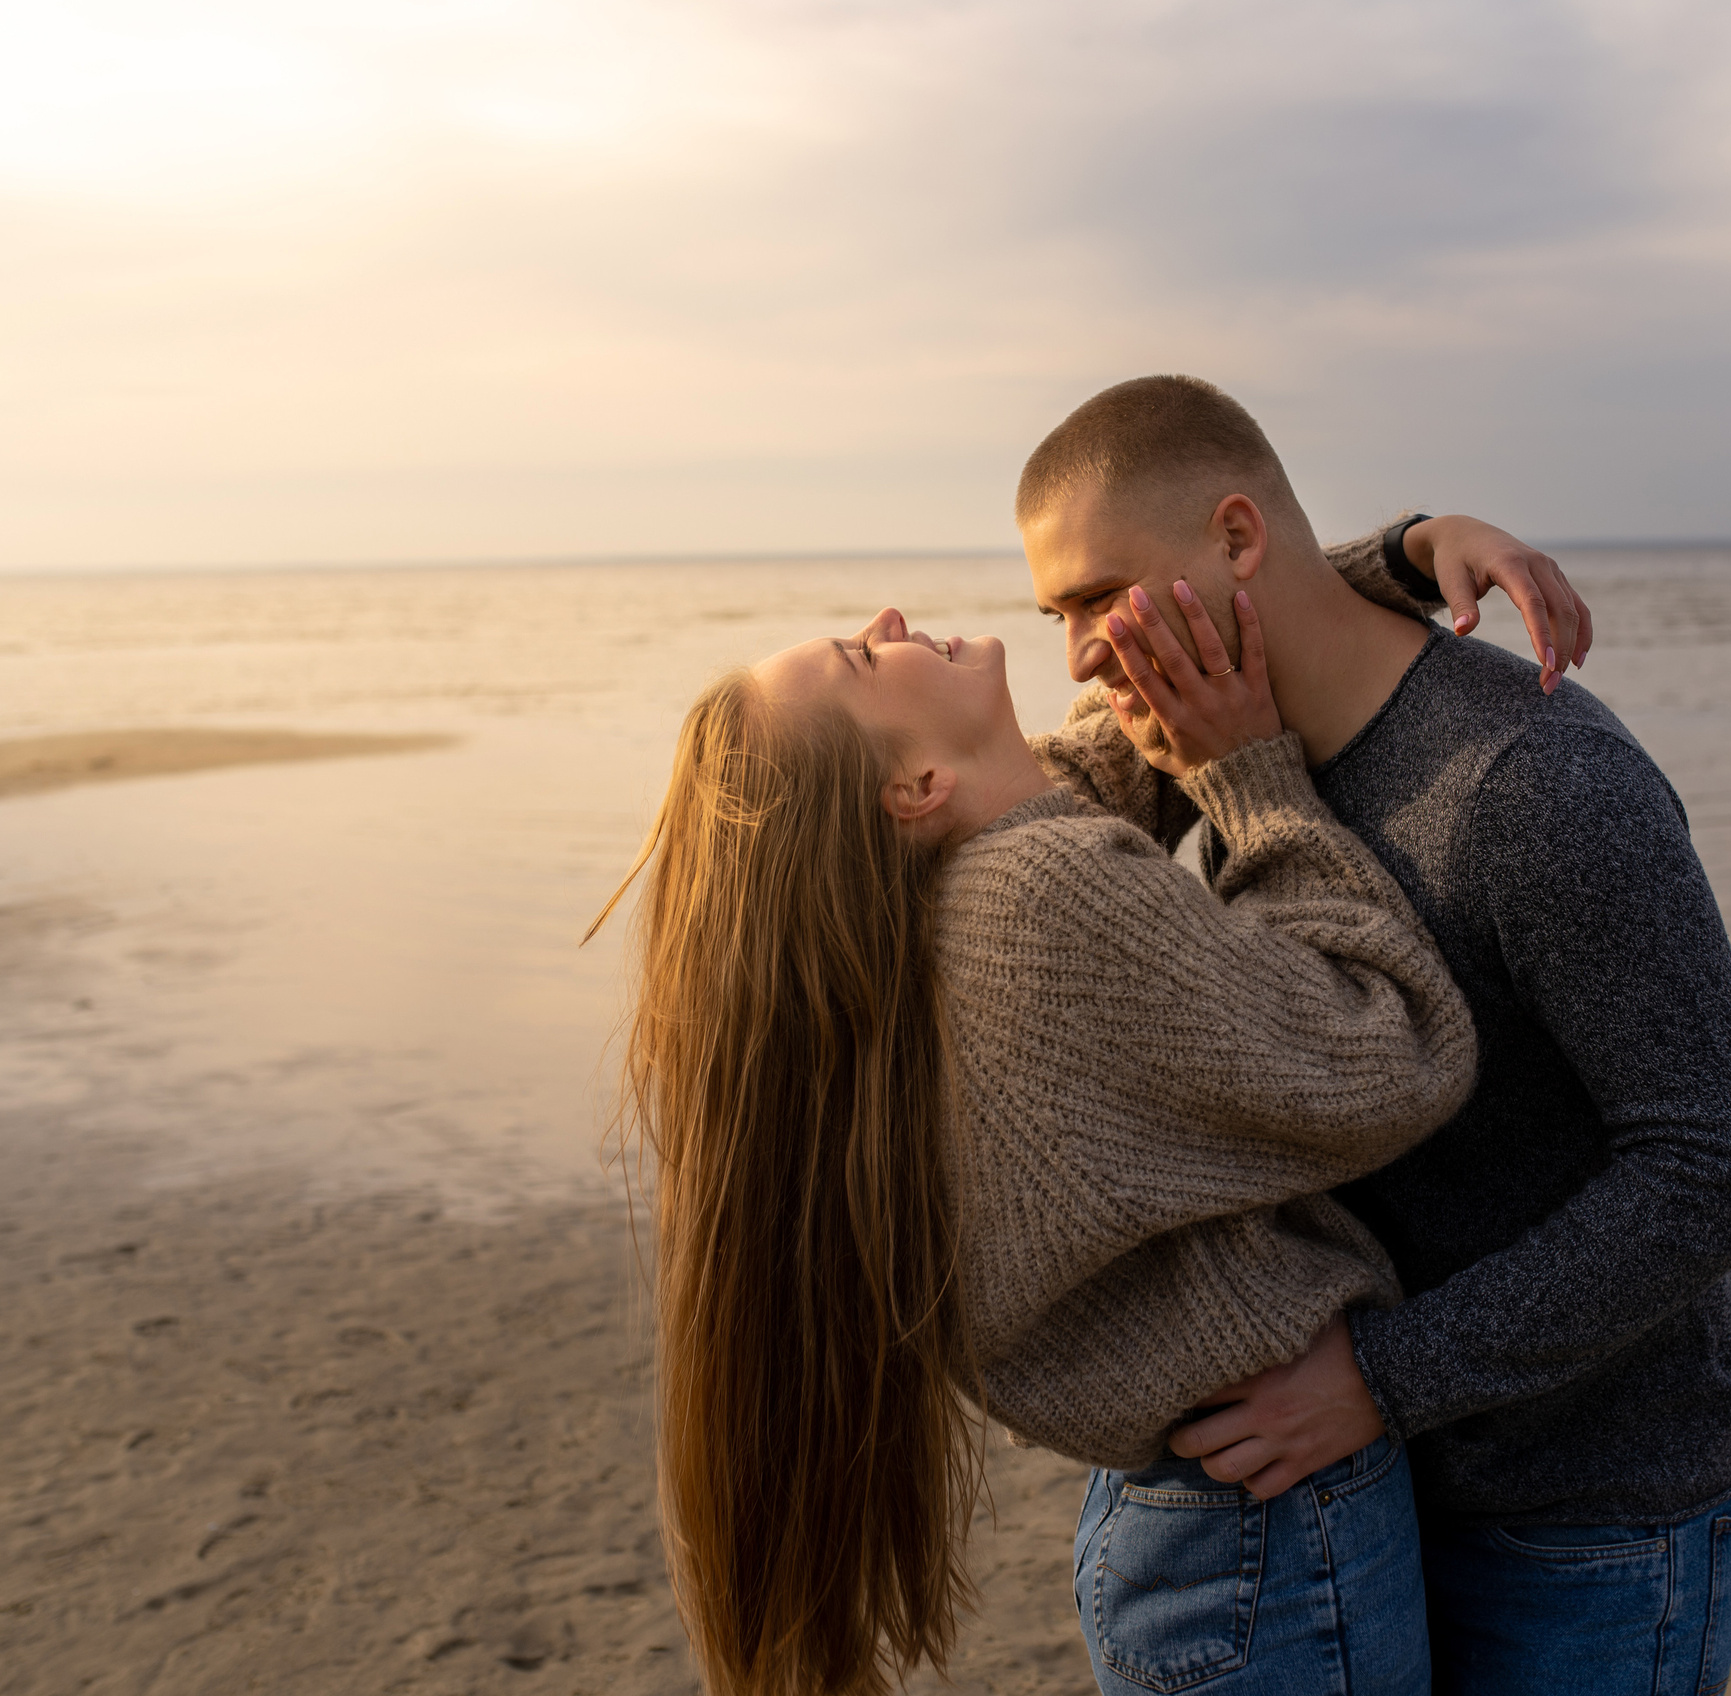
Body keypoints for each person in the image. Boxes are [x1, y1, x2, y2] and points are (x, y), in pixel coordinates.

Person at [597, 547, 1562, 1692]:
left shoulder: (950, 892)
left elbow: (1121, 737)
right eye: (863, 655)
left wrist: (1379, 558)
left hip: (1199, 1515)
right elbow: (1392, 1055)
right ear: (912, 792)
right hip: (1268, 1530)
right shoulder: (1040, 897)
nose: (890, 613)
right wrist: (1256, 782)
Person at [1016, 375, 1731, 1696]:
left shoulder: (1539, 785)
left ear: (1239, 538)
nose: (1083, 654)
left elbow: (1719, 1167)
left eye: (1099, 596)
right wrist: (1415, 544)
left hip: (1599, 1515)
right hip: (1381, 1492)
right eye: (1057, 616)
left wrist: (1379, 1375)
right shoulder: (1227, 737)